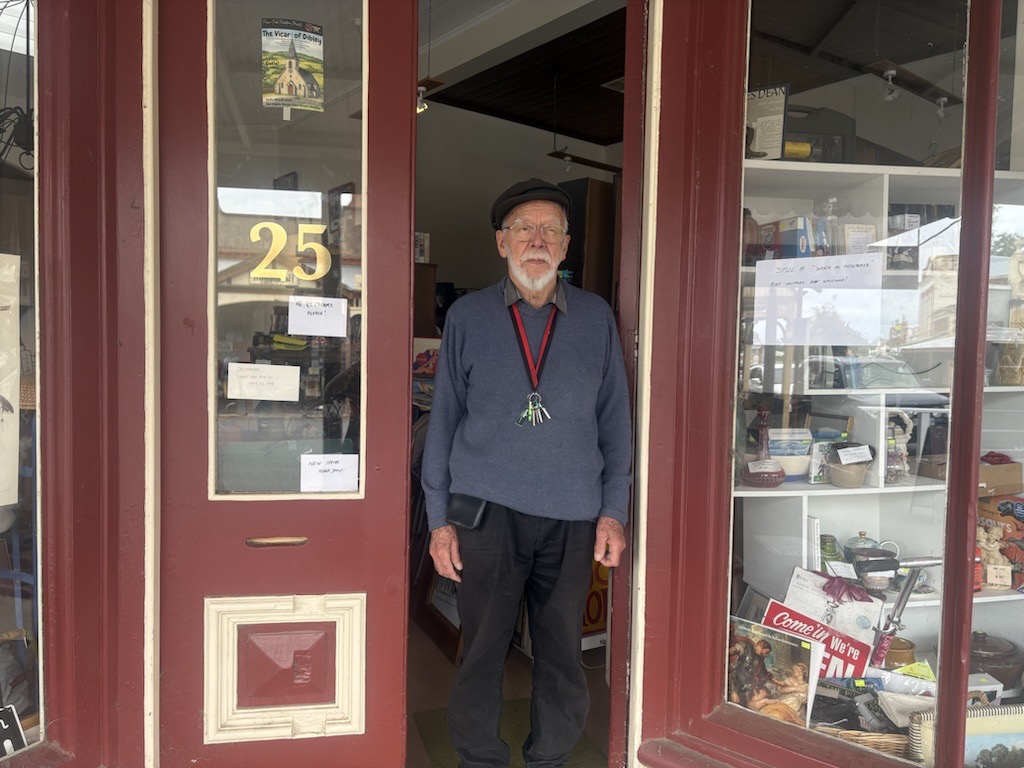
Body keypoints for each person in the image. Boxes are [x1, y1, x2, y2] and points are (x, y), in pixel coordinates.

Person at [421, 178, 632, 768]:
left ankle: (552, 758)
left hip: (572, 515)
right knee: (482, 650)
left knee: (562, 655)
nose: (536, 240)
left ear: (565, 248)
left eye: (549, 231)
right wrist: (439, 521)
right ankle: (480, 759)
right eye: (523, 229)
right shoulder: (468, 317)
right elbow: (442, 424)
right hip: (484, 513)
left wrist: (613, 510)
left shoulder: (595, 319)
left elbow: (616, 424)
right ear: (501, 243)